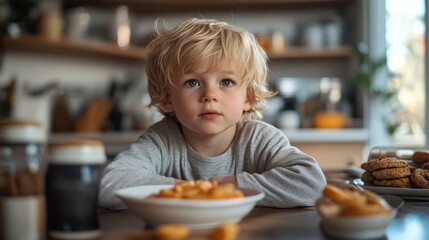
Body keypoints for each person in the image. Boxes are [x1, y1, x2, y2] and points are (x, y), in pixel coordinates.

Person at [98, 18, 326, 209]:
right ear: (168, 99)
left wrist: (235, 184)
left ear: (248, 97)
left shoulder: (259, 139)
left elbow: (312, 183)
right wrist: (192, 190)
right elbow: (109, 184)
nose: (210, 95)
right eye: (192, 82)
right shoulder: (162, 140)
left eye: (226, 81)